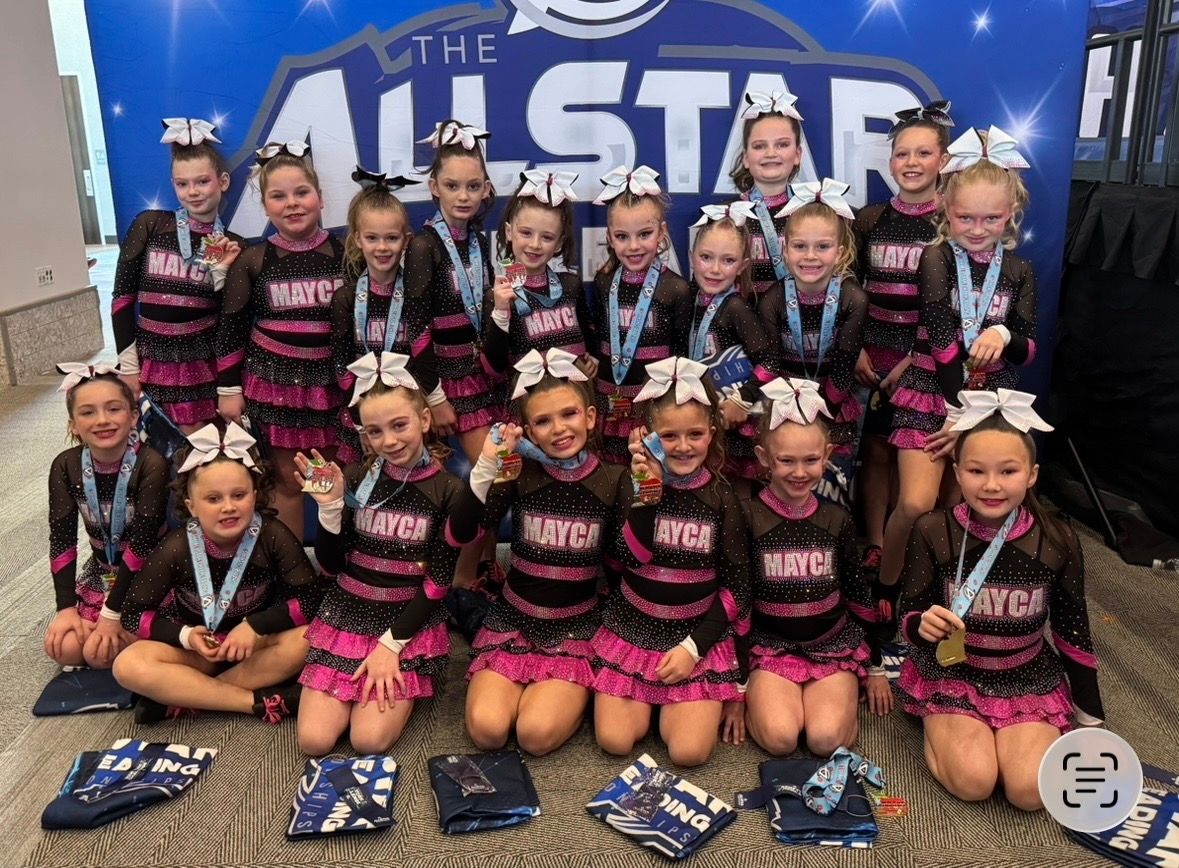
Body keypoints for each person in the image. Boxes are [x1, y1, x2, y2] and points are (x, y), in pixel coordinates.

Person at [894, 389, 1103, 810]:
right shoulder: (933, 529)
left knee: (1030, 793)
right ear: (957, 471)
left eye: (1008, 472)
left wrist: (1092, 721)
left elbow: (1073, 631)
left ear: (1032, 474)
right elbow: (908, 613)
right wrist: (922, 625)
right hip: (954, 672)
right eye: (976, 471)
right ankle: (944, 728)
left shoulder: (1057, 540)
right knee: (975, 781)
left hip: (1026, 677)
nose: (991, 485)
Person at [880, 127, 1038, 598]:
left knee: (958, 508)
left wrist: (1003, 332)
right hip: (934, 394)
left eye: (990, 218)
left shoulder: (1019, 270)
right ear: (947, 210)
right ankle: (885, 596)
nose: (977, 228)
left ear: (1009, 215)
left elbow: (1028, 349)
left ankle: (936, 597)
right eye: (966, 217)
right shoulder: (936, 257)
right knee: (915, 502)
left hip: (991, 404)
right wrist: (956, 410)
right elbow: (943, 337)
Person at [452, 349, 623, 756]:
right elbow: (464, 532)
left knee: (534, 736)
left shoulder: (615, 479)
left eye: (569, 414)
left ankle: (568, 692)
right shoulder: (519, 471)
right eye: (543, 421)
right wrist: (486, 471)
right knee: (487, 732)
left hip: (575, 626)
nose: (559, 429)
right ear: (528, 429)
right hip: (513, 619)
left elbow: (623, 565)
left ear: (592, 417)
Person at [295, 352, 462, 755]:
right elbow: (333, 566)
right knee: (314, 741)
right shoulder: (352, 478)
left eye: (399, 425)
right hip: (347, 614)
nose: (389, 441)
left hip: (405, 621)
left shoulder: (449, 491)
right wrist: (331, 509)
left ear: (424, 420)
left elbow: (439, 583)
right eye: (374, 431)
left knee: (368, 740)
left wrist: (391, 646)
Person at [592, 357, 749, 767]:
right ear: (650, 437)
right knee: (615, 740)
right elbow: (631, 557)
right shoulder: (632, 482)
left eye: (695, 434)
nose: (683, 446)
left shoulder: (722, 496)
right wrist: (649, 494)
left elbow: (737, 588)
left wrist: (694, 648)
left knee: (689, 753)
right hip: (634, 628)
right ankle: (649, 702)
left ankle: (680, 702)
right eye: (670, 435)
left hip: (694, 632)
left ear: (711, 435)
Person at [114, 422, 319, 724]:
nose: (228, 507)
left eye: (239, 495)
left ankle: (186, 697)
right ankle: (253, 701)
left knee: (309, 638)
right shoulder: (177, 547)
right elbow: (133, 613)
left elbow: (311, 599)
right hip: (199, 651)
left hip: (253, 646)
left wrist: (256, 626)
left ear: (255, 494)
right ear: (191, 506)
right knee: (127, 665)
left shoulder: (271, 534)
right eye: (213, 499)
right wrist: (185, 636)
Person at [736, 378, 891, 758]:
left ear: (828, 456)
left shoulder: (837, 519)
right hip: (771, 647)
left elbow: (858, 596)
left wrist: (874, 666)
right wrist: (738, 687)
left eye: (810, 460)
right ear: (763, 458)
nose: (799, 472)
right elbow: (738, 603)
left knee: (824, 740)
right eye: (786, 460)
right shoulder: (748, 517)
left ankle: (834, 700)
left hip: (831, 644)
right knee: (781, 739)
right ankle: (773, 698)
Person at [215, 142, 345, 541]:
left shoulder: (346, 255)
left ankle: (331, 566)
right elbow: (231, 327)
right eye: (278, 196)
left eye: (301, 193)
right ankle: (295, 576)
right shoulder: (253, 260)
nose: (292, 204)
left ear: (321, 198)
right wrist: (228, 389)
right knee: (289, 483)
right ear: (265, 206)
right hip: (277, 386)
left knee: (328, 481)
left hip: (331, 384)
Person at [853, 101, 954, 578]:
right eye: (902, 154)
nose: (911, 164)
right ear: (890, 160)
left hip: (925, 359)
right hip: (872, 353)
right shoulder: (869, 219)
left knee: (919, 457)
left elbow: (949, 306)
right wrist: (856, 348)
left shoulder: (951, 225)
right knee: (876, 449)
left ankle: (914, 548)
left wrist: (916, 359)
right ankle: (875, 542)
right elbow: (848, 290)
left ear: (944, 161)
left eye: (923, 154)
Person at [403, 119, 497, 587]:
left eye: (473, 186)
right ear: (433, 187)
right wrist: (434, 395)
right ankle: (453, 581)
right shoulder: (423, 245)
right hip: (442, 378)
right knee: (480, 480)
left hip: (480, 374)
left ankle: (475, 571)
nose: (464, 195)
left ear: (486, 189)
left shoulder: (480, 241)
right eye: (453, 185)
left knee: (495, 479)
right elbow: (415, 327)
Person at [111, 118, 243, 431]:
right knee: (157, 446)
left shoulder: (230, 243)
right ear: (173, 185)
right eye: (182, 184)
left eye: (202, 182)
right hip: (151, 359)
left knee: (201, 445)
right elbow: (121, 300)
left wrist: (221, 276)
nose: (193, 192)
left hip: (202, 361)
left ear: (222, 181)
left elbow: (231, 318)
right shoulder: (150, 225)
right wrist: (129, 367)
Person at [46, 364, 168, 668]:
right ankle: (113, 638)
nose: (102, 420)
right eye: (87, 413)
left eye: (113, 409)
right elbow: (62, 542)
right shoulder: (65, 466)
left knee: (98, 655)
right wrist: (65, 609)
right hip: (104, 572)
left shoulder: (150, 464)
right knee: (65, 649)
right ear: (73, 424)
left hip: (151, 576)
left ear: (133, 417)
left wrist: (111, 616)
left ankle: (138, 645)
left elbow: (141, 546)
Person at [331, 167, 443, 465]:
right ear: (357, 240)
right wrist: (360, 424)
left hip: (408, 420)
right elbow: (342, 365)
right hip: (365, 420)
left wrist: (429, 403)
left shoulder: (417, 294)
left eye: (392, 238)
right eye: (372, 238)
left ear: (406, 241)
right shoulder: (345, 298)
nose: (382, 247)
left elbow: (424, 352)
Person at [590, 166, 692, 465]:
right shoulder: (604, 281)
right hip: (608, 406)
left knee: (651, 478)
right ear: (609, 237)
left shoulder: (677, 289)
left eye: (645, 234)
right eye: (622, 236)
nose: (633, 246)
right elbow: (599, 340)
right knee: (614, 478)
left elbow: (681, 355)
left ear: (662, 232)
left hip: (654, 408)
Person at [760, 180, 867, 459]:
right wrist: (792, 412)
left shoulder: (852, 299)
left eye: (822, 247)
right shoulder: (773, 299)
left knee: (831, 489)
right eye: (800, 246)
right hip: (785, 404)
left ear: (839, 253)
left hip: (833, 406)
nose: (810, 256)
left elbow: (844, 369)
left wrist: (820, 415)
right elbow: (770, 363)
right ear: (785, 251)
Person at [685, 202, 778, 479]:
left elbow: (770, 362)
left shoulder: (736, 308)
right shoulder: (686, 298)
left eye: (727, 261)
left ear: (742, 266)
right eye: (706, 257)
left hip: (734, 423)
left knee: (736, 489)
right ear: (691, 257)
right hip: (701, 418)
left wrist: (742, 400)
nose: (714, 269)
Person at [485, 171, 594, 374]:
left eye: (547, 237)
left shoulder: (570, 285)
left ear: (560, 242)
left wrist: (593, 359)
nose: (535, 245)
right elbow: (494, 368)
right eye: (526, 233)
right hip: (528, 402)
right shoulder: (499, 296)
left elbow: (589, 338)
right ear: (509, 232)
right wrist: (500, 312)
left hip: (576, 397)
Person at [730, 90, 806, 308]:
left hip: (798, 333)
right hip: (743, 330)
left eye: (782, 144)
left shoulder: (814, 213)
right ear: (746, 157)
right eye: (759, 146)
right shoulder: (728, 215)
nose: (771, 153)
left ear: (798, 154)